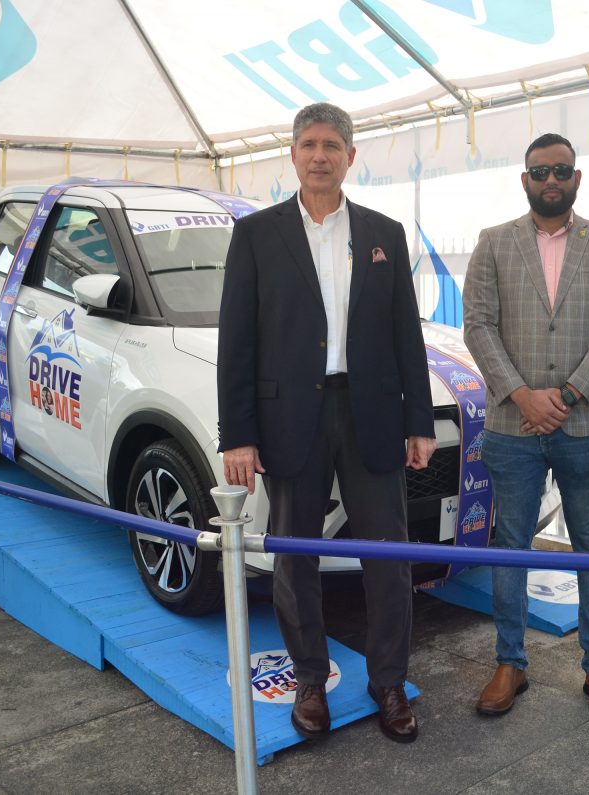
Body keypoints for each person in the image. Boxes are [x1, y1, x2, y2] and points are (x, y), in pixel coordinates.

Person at [217, 102, 436, 745]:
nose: (320, 155)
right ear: (292, 155)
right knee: (294, 557)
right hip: (291, 420)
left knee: (388, 557)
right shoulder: (256, 235)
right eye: (309, 144)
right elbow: (239, 341)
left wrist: (418, 421)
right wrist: (238, 435)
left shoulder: (383, 233)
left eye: (331, 145)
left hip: (370, 414)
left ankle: (389, 680)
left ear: (350, 156)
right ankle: (310, 679)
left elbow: (405, 335)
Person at [463, 132, 589, 722]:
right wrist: (520, 395)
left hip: (582, 421)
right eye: (540, 172)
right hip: (513, 425)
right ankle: (510, 662)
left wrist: (562, 396)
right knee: (511, 545)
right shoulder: (492, 244)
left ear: (577, 177)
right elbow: (479, 326)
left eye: (561, 170)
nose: (551, 180)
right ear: (525, 180)